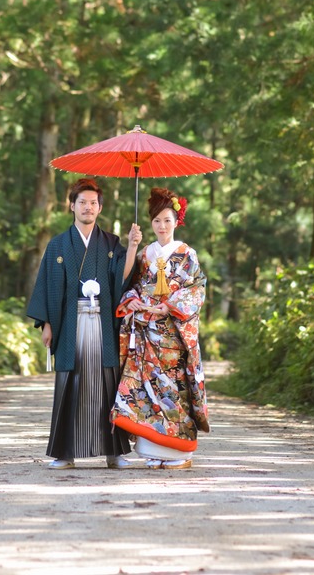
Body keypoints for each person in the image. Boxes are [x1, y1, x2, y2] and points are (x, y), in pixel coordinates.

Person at [26, 178, 142, 469]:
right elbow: (47, 286)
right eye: (82, 202)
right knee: (71, 383)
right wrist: (47, 325)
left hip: (101, 323)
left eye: (93, 203)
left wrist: (132, 247)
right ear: (71, 206)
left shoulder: (111, 243)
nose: (87, 207)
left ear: (100, 207)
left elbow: (122, 279)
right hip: (70, 323)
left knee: (107, 382)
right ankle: (65, 453)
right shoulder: (58, 245)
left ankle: (113, 452)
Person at [111, 186, 209, 469]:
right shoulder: (145, 253)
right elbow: (131, 286)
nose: (162, 226)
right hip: (146, 332)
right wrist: (134, 302)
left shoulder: (187, 254)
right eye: (156, 221)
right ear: (150, 223)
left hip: (174, 333)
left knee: (173, 390)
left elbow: (196, 288)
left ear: (176, 221)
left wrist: (170, 306)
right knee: (147, 390)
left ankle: (179, 452)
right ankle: (154, 451)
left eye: (167, 220)